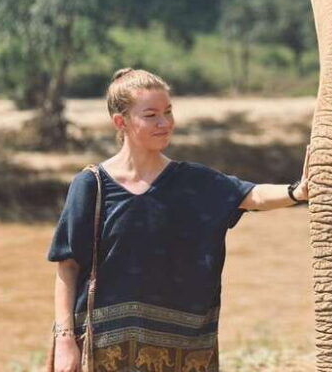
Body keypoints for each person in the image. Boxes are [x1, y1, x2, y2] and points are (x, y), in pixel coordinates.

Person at [48, 68, 309, 372]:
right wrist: (65, 339)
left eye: (168, 112)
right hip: (102, 348)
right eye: (151, 115)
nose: (165, 123)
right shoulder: (91, 185)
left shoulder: (193, 181)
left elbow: (251, 196)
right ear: (121, 122)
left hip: (182, 351)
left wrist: (298, 191)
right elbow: (67, 266)